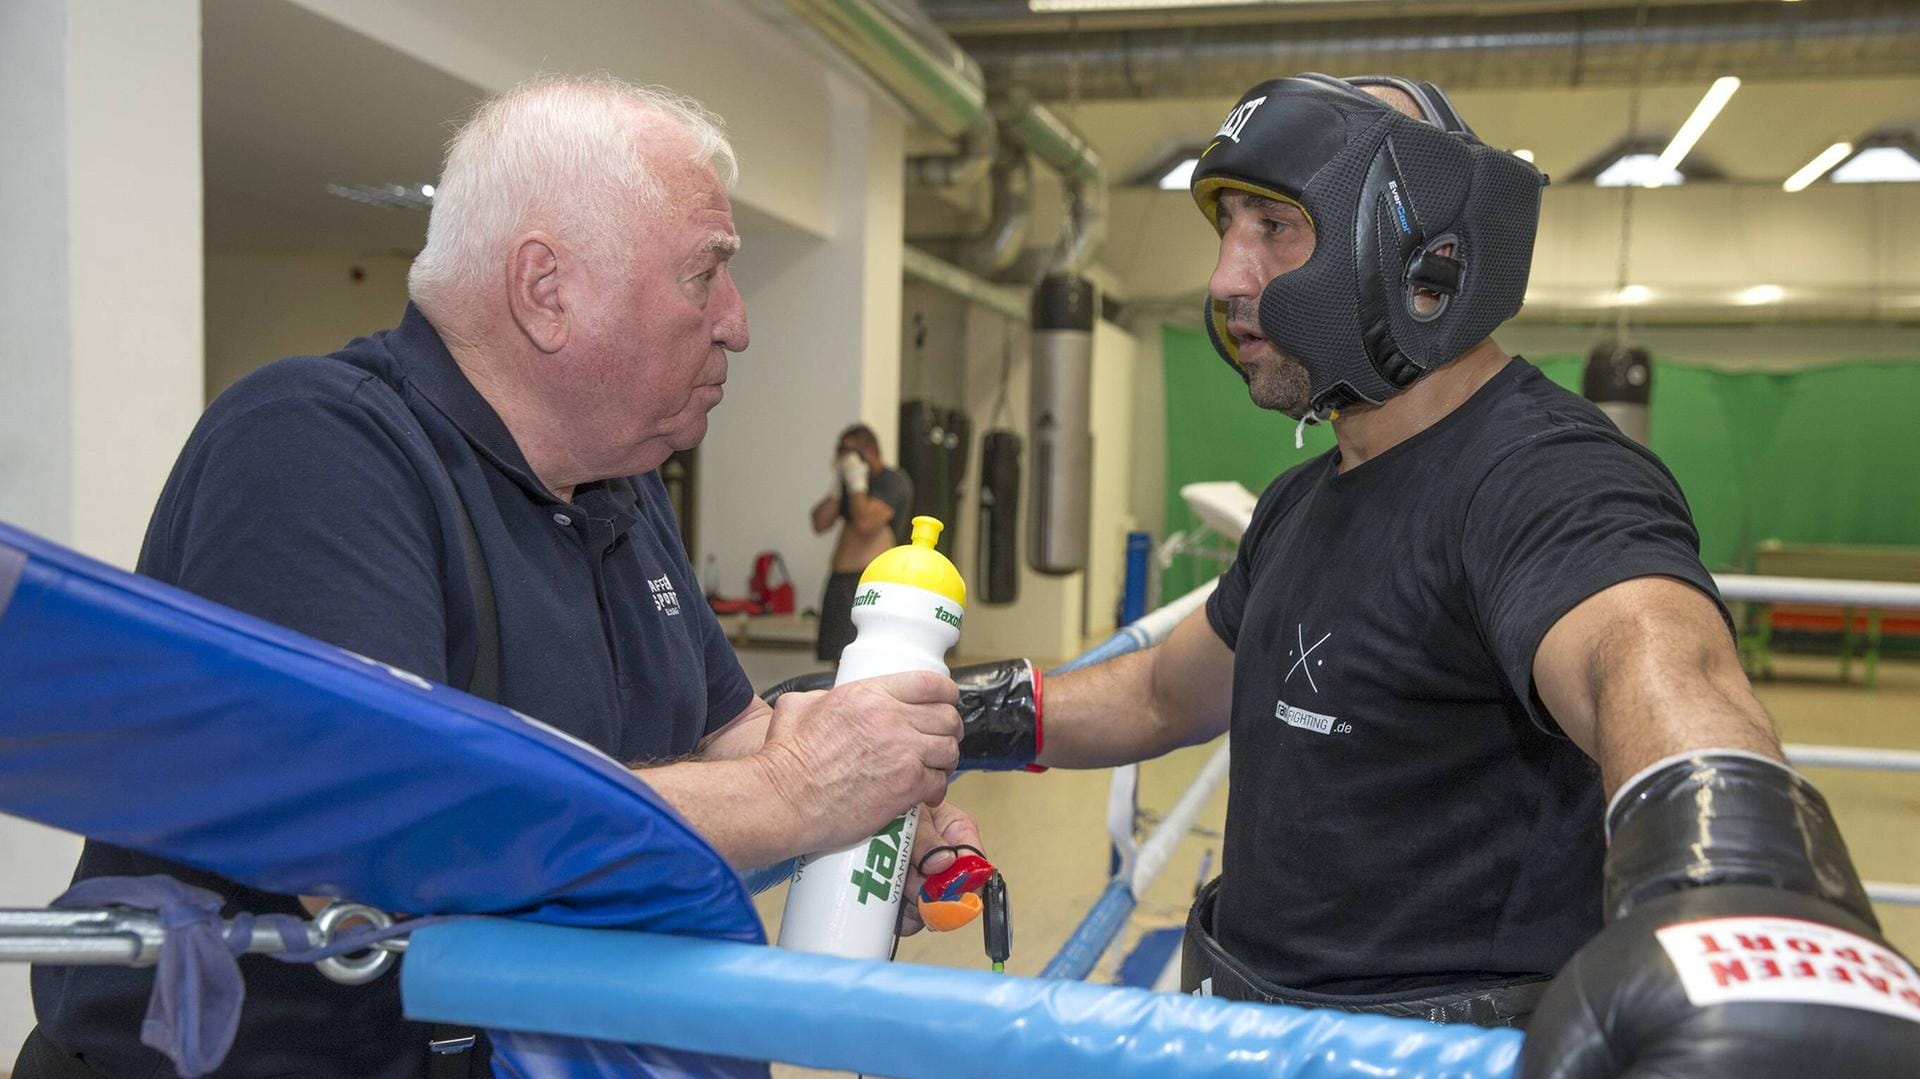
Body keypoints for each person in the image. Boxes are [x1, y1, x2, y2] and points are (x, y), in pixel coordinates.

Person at [850, 74, 1917, 1073]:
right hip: (1248, 1024)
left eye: (1274, 227)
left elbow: (1652, 659)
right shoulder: (1305, 500)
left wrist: (1743, 883)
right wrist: (943, 713)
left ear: (1422, 257)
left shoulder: (1542, 470)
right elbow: (1161, 690)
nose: (1227, 277)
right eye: (1226, 229)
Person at [16, 75, 993, 1079]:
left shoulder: (619, 483)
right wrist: (794, 789)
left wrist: (866, 803)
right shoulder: (314, 447)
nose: (738, 321)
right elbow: (377, 852)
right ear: (547, 290)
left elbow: (733, 734)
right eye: (707, 276)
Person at [810, 424, 914, 662]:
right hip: (840, 584)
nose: (843, 457)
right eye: (840, 451)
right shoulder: (851, 486)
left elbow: (866, 524)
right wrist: (838, 488)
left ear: (869, 451)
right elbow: (819, 523)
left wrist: (857, 483)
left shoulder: (892, 481)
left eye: (849, 451)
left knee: (866, 658)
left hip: (869, 583)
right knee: (839, 658)